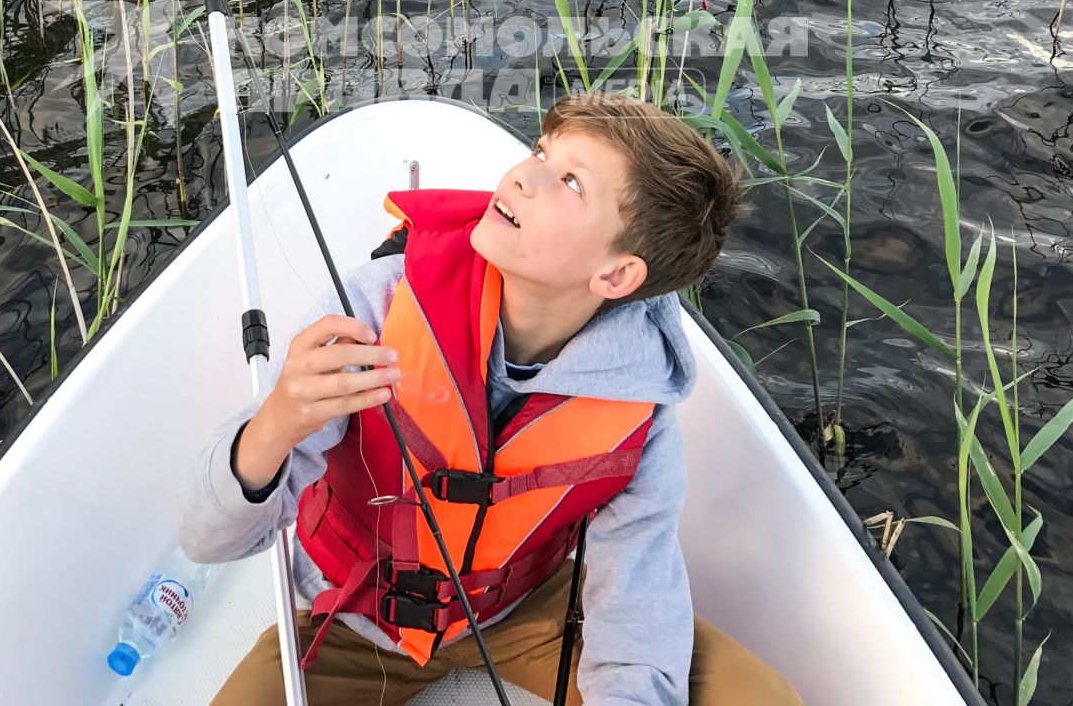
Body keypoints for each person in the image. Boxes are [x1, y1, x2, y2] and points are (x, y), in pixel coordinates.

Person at [178, 91, 803, 705]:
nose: (524, 176)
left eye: (572, 182)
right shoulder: (375, 308)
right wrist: (277, 421)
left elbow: (636, 602)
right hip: (353, 615)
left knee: (762, 698)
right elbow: (209, 542)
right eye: (540, 150)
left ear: (615, 275)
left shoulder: (640, 409)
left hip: (528, 610)